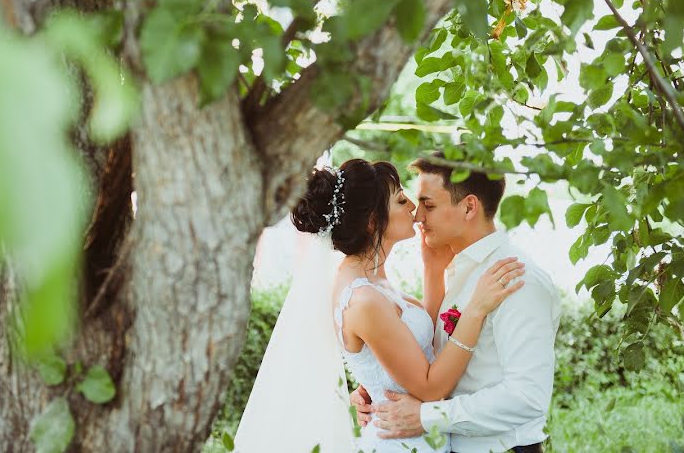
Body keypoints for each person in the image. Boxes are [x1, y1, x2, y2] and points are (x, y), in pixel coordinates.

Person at [235, 158, 525, 453]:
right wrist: (476, 309)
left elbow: (421, 346)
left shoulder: (372, 278)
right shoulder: (363, 300)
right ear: (373, 221)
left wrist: (432, 271)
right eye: (400, 200)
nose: (412, 206)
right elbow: (430, 387)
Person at [352, 152, 562, 453]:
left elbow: (528, 397)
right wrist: (377, 387)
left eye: (429, 205)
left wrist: (427, 416)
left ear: (469, 207)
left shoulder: (517, 280)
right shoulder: (460, 269)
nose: (418, 217)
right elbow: (436, 359)